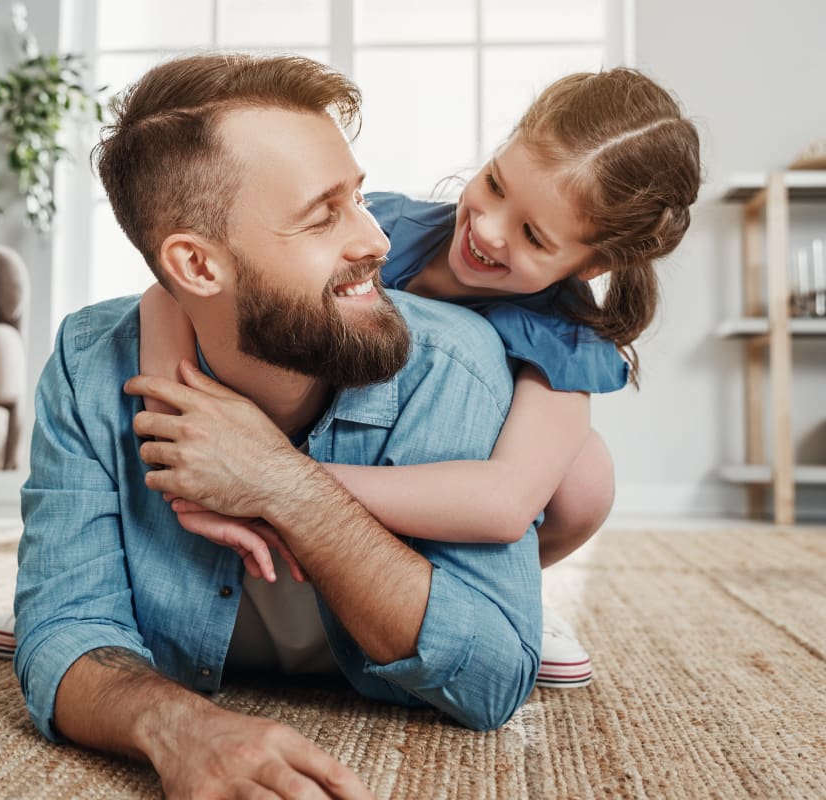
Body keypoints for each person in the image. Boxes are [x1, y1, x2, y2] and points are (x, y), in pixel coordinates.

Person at [9, 52, 542, 798]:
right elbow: (65, 635)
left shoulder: (456, 361)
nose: (377, 241)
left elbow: (492, 680)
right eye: (324, 215)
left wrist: (282, 483)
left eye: (358, 198)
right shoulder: (89, 363)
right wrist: (174, 726)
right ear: (195, 267)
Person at [131, 67, 703, 689]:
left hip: (418, 494)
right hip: (312, 430)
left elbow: (506, 501)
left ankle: (500, 601)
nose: (488, 229)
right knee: (143, 349)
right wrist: (177, 436)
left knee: (585, 477)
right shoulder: (381, 229)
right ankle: (114, 585)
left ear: (591, 263)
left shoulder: (565, 337)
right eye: (495, 184)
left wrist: (275, 480)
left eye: (533, 235)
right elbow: (172, 292)